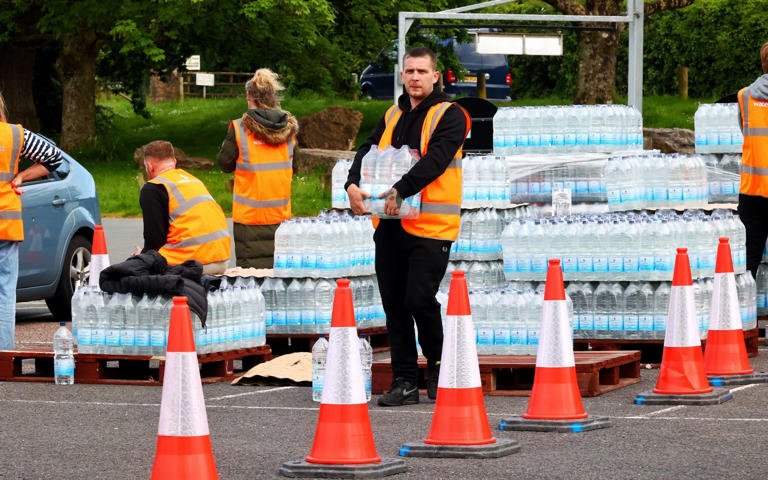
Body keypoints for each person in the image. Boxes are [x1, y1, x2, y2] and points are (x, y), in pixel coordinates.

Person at [345, 47, 470, 406]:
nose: (415, 77)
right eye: (409, 71)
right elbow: (366, 149)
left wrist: (400, 190)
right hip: (389, 224)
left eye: (422, 71)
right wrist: (352, 184)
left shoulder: (452, 115)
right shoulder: (392, 113)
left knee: (418, 298)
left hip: (431, 226)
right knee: (395, 305)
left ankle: (439, 362)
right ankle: (404, 379)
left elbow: (436, 161)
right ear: (402, 75)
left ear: (436, 76)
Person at [0, 91, 65, 350]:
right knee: (5, 292)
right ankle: (3, 357)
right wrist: (21, 177)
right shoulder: (16, 135)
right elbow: (54, 158)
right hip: (6, 222)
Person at [217, 68, 298, 269]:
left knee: (250, 281)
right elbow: (294, 166)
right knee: (278, 278)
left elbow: (224, 163)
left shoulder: (239, 128)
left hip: (249, 220)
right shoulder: (290, 131)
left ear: (250, 97)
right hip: (281, 219)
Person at [140, 140, 231, 274]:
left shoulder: (153, 188)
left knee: (130, 270)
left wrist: (142, 257)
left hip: (191, 262)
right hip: (221, 260)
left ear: (149, 166)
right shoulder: (192, 180)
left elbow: (154, 241)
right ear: (174, 162)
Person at [737, 40, 768, 279]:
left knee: (749, 260)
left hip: (752, 191)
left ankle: (744, 313)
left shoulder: (745, 96)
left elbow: (744, 130)